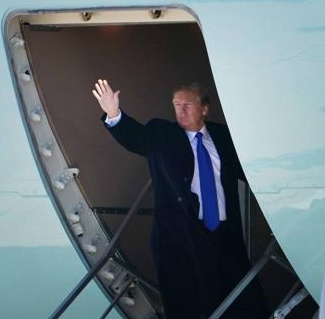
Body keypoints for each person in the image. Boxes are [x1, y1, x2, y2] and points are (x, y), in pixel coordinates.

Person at [92, 79, 267, 319]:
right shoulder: (161, 134)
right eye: (176, 105)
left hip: (225, 235)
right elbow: (135, 137)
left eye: (188, 104)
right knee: (190, 306)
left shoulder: (223, 136)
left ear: (204, 108)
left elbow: (253, 171)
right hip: (182, 237)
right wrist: (113, 112)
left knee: (243, 302)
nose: (181, 111)